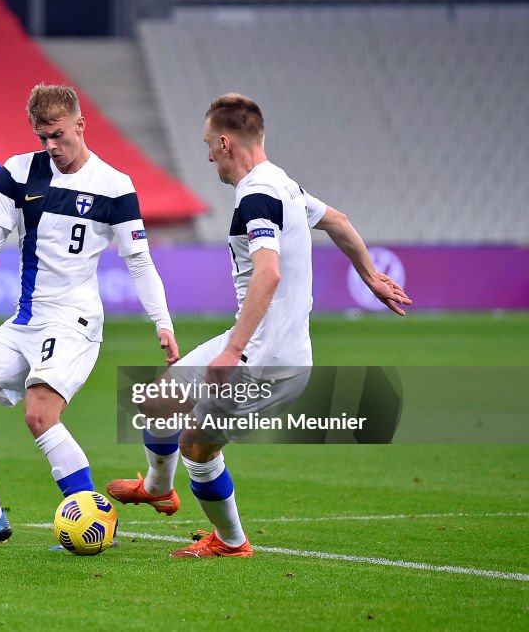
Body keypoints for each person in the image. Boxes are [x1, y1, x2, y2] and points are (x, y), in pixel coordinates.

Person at [106, 93, 412, 558]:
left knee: (197, 448)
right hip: (253, 345)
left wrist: (233, 352)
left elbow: (268, 273)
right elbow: (340, 222)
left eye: (208, 144)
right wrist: (370, 277)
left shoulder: (257, 195)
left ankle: (231, 542)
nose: (207, 154)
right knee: (158, 399)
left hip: (266, 363)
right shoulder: (284, 185)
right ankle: (156, 488)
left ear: (226, 142)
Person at [0, 83, 180, 547]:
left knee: (39, 414)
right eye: (42, 136)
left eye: (58, 135)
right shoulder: (20, 172)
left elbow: (139, 261)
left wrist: (162, 322)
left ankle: (92, 518)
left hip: (74, 323)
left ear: (79, 124)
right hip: (26, 320)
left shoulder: (114, 186)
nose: (52, 146)